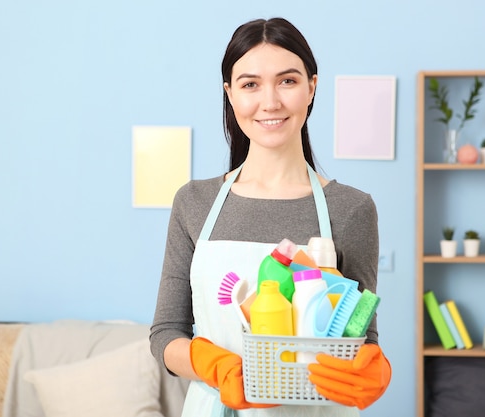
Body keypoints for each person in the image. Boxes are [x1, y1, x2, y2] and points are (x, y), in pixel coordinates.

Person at [150, 17, 391, 417]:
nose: (270, 102)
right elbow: (165, 335)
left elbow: (359, 338)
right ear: (230, 94)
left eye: (287, 81)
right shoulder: (194, 202)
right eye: (250, 84)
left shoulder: (351, 209)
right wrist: (217, 366)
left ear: (311, 87)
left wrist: (374, 368)